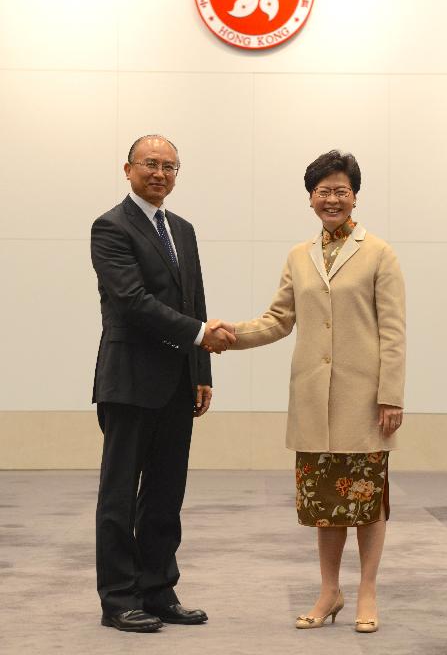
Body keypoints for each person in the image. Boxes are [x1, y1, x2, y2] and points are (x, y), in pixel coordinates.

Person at [219, 149, 405, 634]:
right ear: (310, 198)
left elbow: (393, 331)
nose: (332, 199)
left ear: (355, 196)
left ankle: (366, 590)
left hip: (364, 401)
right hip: (311, 400)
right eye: (323, 192)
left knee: (366, 500)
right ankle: (330, 590)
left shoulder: (380, 253)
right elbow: (278, 320)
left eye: (341, 191)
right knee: (325, 503)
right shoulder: (298, 257)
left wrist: (392, 394)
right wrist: (225, 336)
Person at [91, 134, 235, 633]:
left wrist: (202, 372)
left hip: (177, 383)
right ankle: (119, 599)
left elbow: (194, 300)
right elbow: (131, 301)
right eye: (150, 164)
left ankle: (158, 589)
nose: (160, 173)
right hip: (129, 382)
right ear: (127, 169)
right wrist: (201, 335)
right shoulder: (110, 227)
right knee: (119, 495)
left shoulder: (183, 229)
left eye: (169, 166)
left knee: (166, 493)